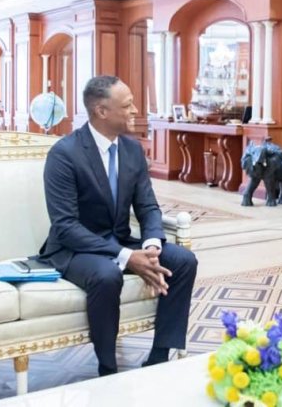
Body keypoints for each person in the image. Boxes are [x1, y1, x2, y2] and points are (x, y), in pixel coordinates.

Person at [39, 75, 198, 376]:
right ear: (101, 111)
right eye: (127, 106)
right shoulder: (64, 154)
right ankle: (108, 369)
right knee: (107, 274)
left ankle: (159, 357)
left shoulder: (132, 149)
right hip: (76, 249)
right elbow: (65, 226)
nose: (135, 110)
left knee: (184, 260)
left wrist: (151, 245)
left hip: (121, 240)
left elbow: (148, 206)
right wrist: (126, 256)